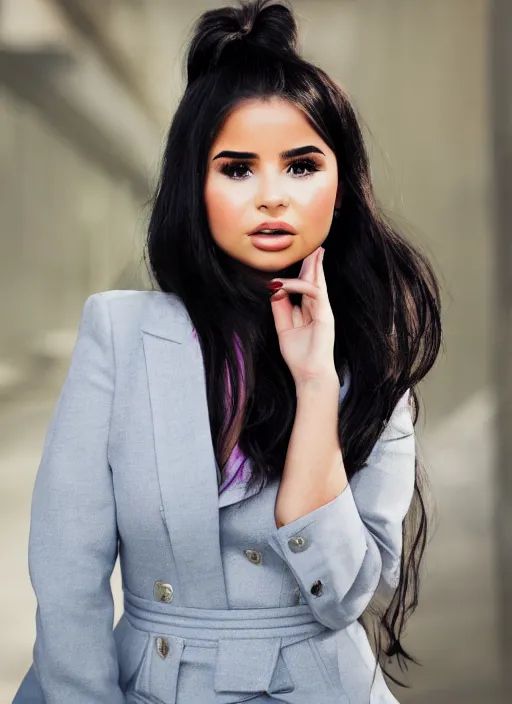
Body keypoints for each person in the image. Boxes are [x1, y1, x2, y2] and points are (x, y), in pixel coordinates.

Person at [12, 0, 442, 702]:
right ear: (197, 186)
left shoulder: (374, 357)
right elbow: (67, 573)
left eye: (301, 167)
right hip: (150, 682)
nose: (272, 197)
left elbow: (342, 597)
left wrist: (313, 388)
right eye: (237, 169)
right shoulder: (121, 336)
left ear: (340, 190)